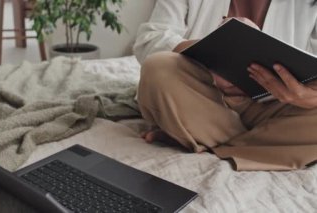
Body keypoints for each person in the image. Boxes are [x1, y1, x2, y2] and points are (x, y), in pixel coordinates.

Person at [133, 0, 317, 171]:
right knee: (158, 69)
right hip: (202, 98)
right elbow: (150, 39)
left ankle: (191, 135)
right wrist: (211, 54)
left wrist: (308, 98)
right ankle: (263, 145)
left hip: (278, 105)